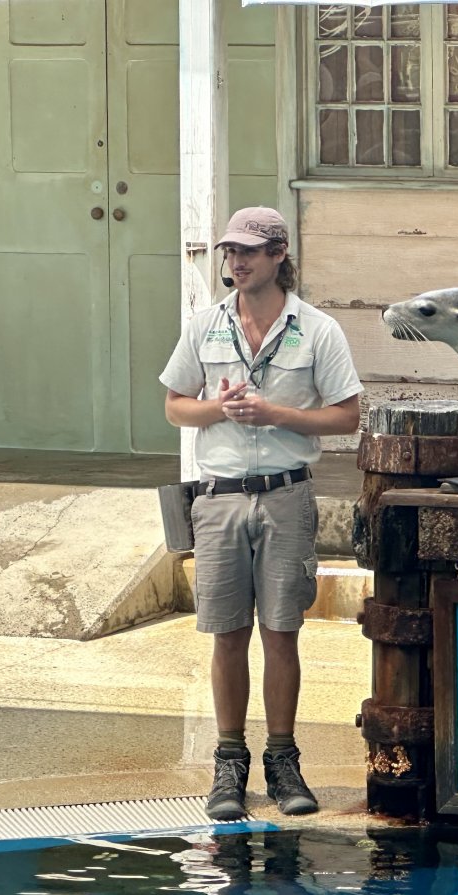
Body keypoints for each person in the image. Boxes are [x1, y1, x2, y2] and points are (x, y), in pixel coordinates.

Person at [160, 206, 363, 821]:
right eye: (229, 252)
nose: (236, 261)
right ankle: (229, 764)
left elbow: (348, 415)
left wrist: (278, 415)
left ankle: (283, 759)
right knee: (226, 633)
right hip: (218, 496)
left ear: (279, 255)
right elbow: (175, 407)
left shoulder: (318, 329)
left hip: (286, 493)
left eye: (248, 251)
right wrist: (217, 409)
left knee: (282, 631)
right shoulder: (204, 326)